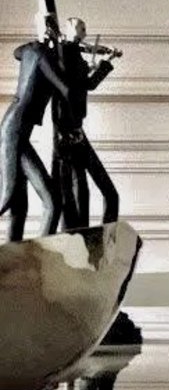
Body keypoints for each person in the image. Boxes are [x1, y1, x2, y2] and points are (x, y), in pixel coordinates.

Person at [0, 18, 68, 242]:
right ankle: (39, 255)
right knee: (12, 197)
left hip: (13, 128)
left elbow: (17, 53)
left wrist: (41, 41)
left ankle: (16, 253)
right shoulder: (43, 56)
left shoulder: (31, 50)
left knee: (19, 205)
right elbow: (66, 90)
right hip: (14, 132)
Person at [51, 17, 120, 230]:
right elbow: (72, 86)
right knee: (80, 193)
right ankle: (82, 240)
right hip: (66, 132)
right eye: (81, 28)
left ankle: (105, 242)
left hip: (76, 130)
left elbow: (87, 84)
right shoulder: (62, 53)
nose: (85, 32)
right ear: (71, 28)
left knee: (107, 193)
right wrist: (95, 64)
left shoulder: (74, 54)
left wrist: (104, 62)